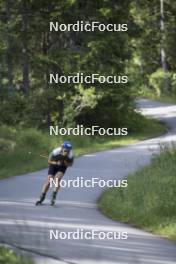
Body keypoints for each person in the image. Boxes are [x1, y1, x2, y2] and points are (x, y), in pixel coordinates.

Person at [36, 141, 74, 206]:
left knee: (57, 179)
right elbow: (49, 161)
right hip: (53, 165)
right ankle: (42, 196)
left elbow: (70, 164)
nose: (66, 151)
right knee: (49, 180)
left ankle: (53, 196)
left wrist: (65, 163)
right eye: (65, 150)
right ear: (62, 148)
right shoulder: (55, 151)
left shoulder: (71, 155)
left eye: (68, 150)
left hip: (62, 166)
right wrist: (56, 163)